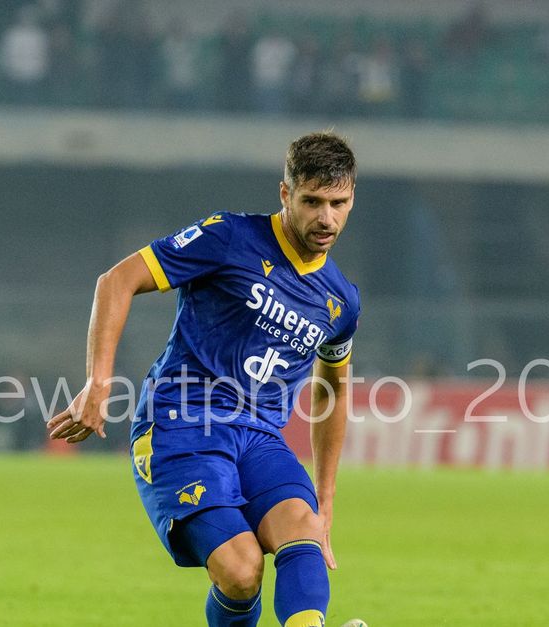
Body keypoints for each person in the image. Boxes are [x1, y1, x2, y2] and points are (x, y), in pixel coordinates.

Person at [48, 132, 365, 627]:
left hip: (259, 437)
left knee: (304, 528)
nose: (326, 217)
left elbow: (333, 391)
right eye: (312, 201)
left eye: (338, 203)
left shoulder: (341, 300)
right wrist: (98, 383)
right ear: (286, 195)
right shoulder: (228, 238)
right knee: (242, 571)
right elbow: (117, 280)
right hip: (181, 425)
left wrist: (325, 498)